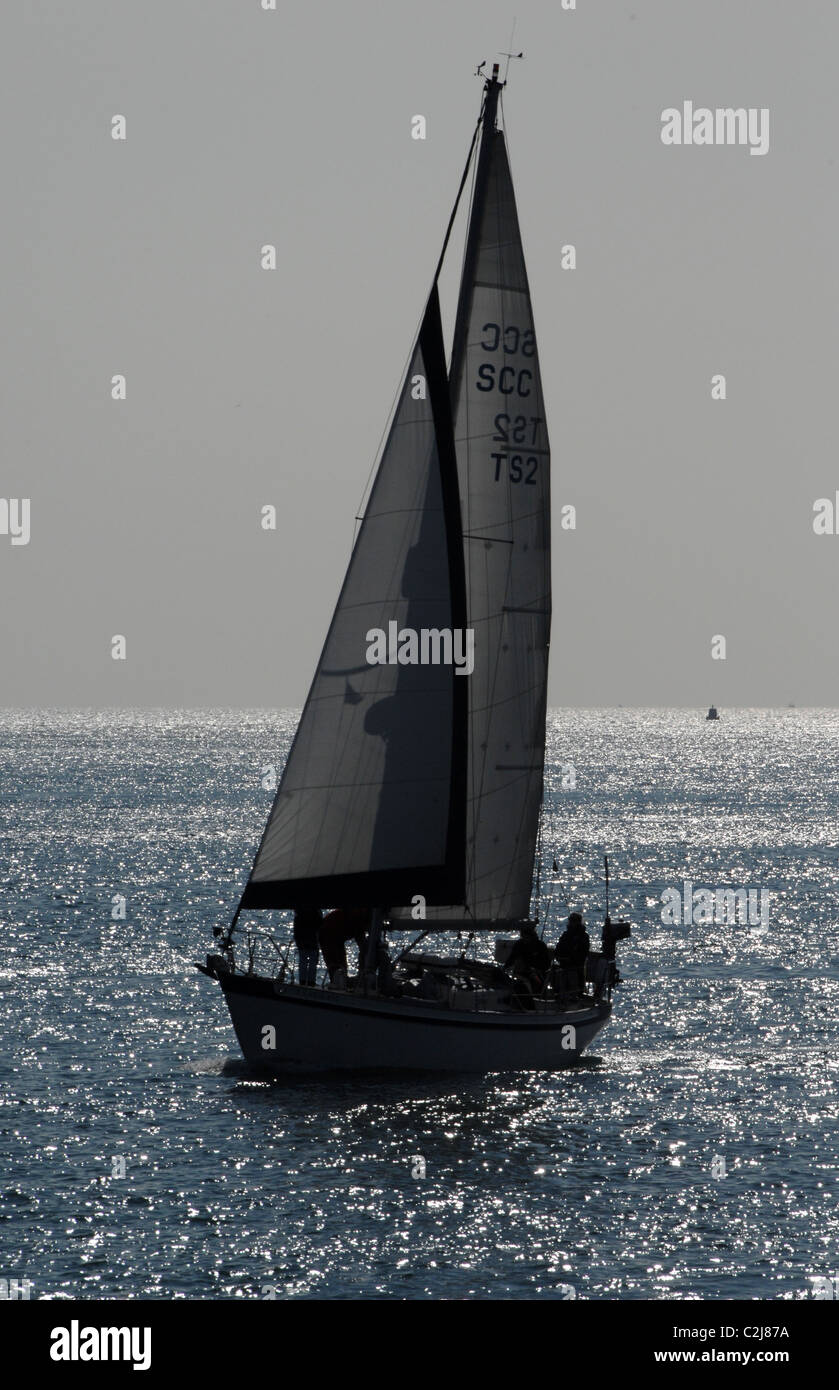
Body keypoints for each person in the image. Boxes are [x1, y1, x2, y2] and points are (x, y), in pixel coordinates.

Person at [318, 906, 371, 984]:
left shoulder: (359, 916)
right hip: (327, 933)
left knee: (341, 964)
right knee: (335, 963)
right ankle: (336, 983)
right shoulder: (358, 917)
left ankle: (340, 981)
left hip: (337, 936)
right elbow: (361, 941)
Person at [506, 923, 552, 1007]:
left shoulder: (540, 946)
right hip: (521, 972)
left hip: (536, 972)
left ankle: (534, 1000)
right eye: (523, 935)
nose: (524, 938)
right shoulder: (519, 944)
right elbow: (511, 958)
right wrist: (505, 967)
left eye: (526, 936)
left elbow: (546, 964)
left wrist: (535, 968)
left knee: (535, 981)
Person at [555, 912, 590, 996]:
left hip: (576, 967)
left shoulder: (583, 936)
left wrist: (571, 959)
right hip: (563, 965)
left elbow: (582, 954)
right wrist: (560, 957)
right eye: (570, 920)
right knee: (556, 972)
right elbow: (558, 949)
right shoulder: (566, 935)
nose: (571, 923)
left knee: (572, 974)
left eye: (573, 921)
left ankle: (574, 995)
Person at [293, 906, 322, 986]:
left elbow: (296, 928)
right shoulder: (316, 912)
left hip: (304, 940)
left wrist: (297, 939)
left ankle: (303, 981)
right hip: (312, 940)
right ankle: (310, 982)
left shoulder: (299, 913)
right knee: (312, 962)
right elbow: (320, 926)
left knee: (303, 962)